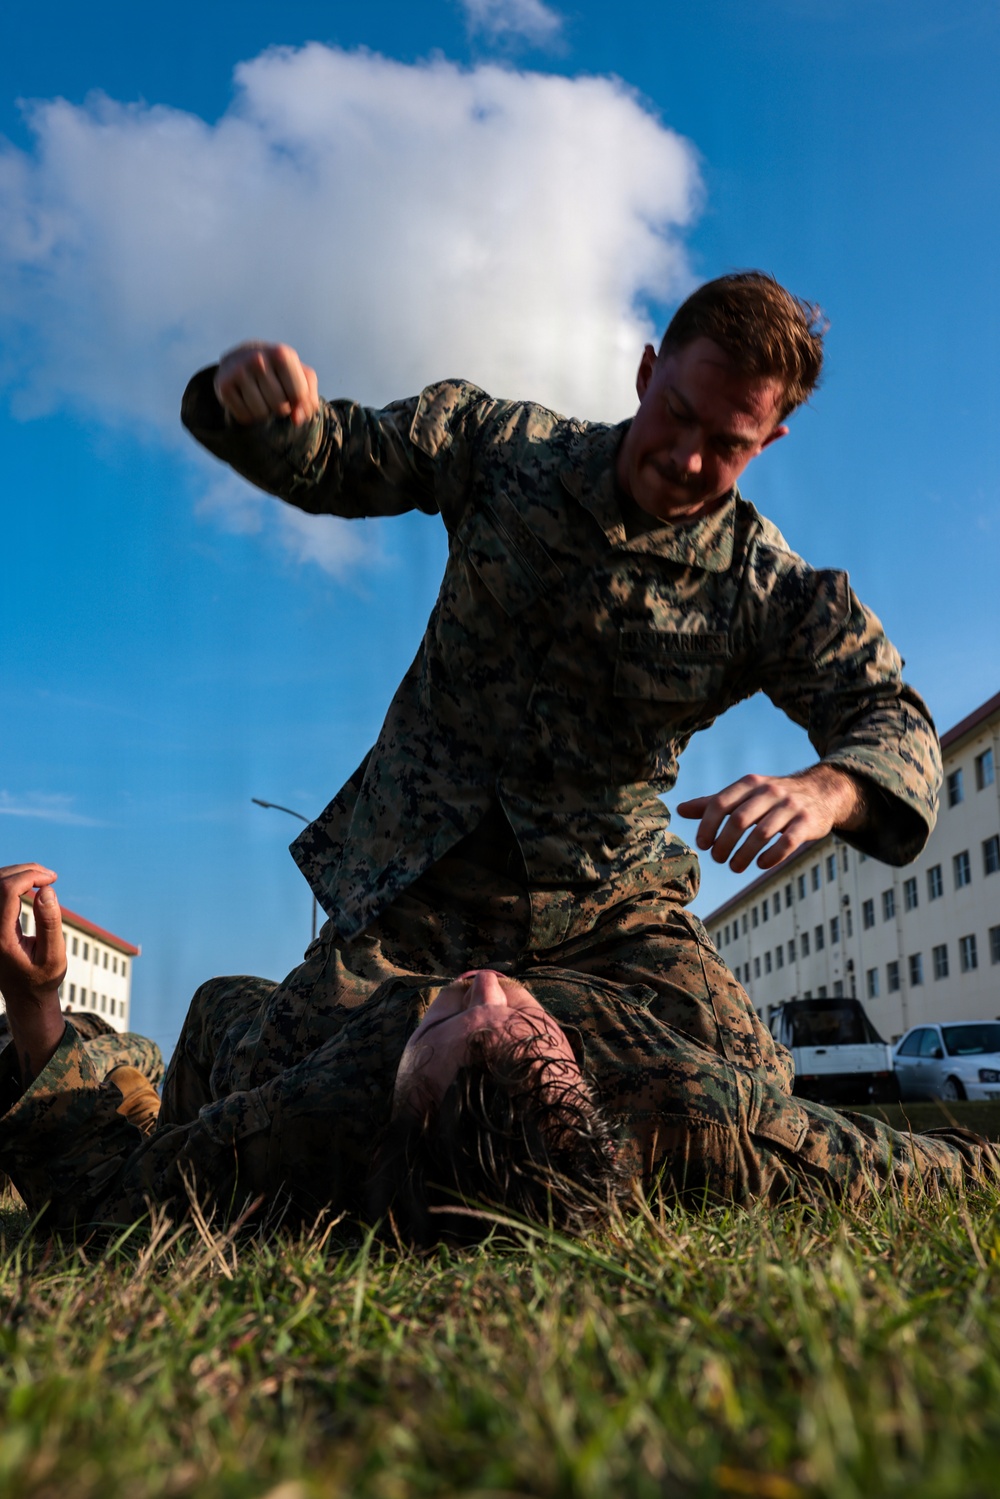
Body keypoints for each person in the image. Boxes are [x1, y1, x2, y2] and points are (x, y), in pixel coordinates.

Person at [178, 271, 941, 1074]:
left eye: (727, 445)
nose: (686, 459)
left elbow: (892, 717)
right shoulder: (505, 449)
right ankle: (231, 1025)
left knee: (740, 1086)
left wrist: (829, 790)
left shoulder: (766, 589)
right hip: (417, 889)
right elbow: (338, 457)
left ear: (769, 441)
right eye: (677, 413)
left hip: (605, 908)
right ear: (648, 373)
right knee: (283, 1082)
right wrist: (261, 411)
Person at [1, 863, 995, 1246]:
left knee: (226, 1008)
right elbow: (921, 1167)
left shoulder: (316, 1121)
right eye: (513, 1024)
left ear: (401, 1094)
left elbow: (96, 1190)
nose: (484, 982)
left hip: (356, 1018)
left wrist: (37, 1000)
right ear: (584, 1085)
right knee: (737, 1039)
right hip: (622, 1004)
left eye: (450, 1023)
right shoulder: (697, 1112)